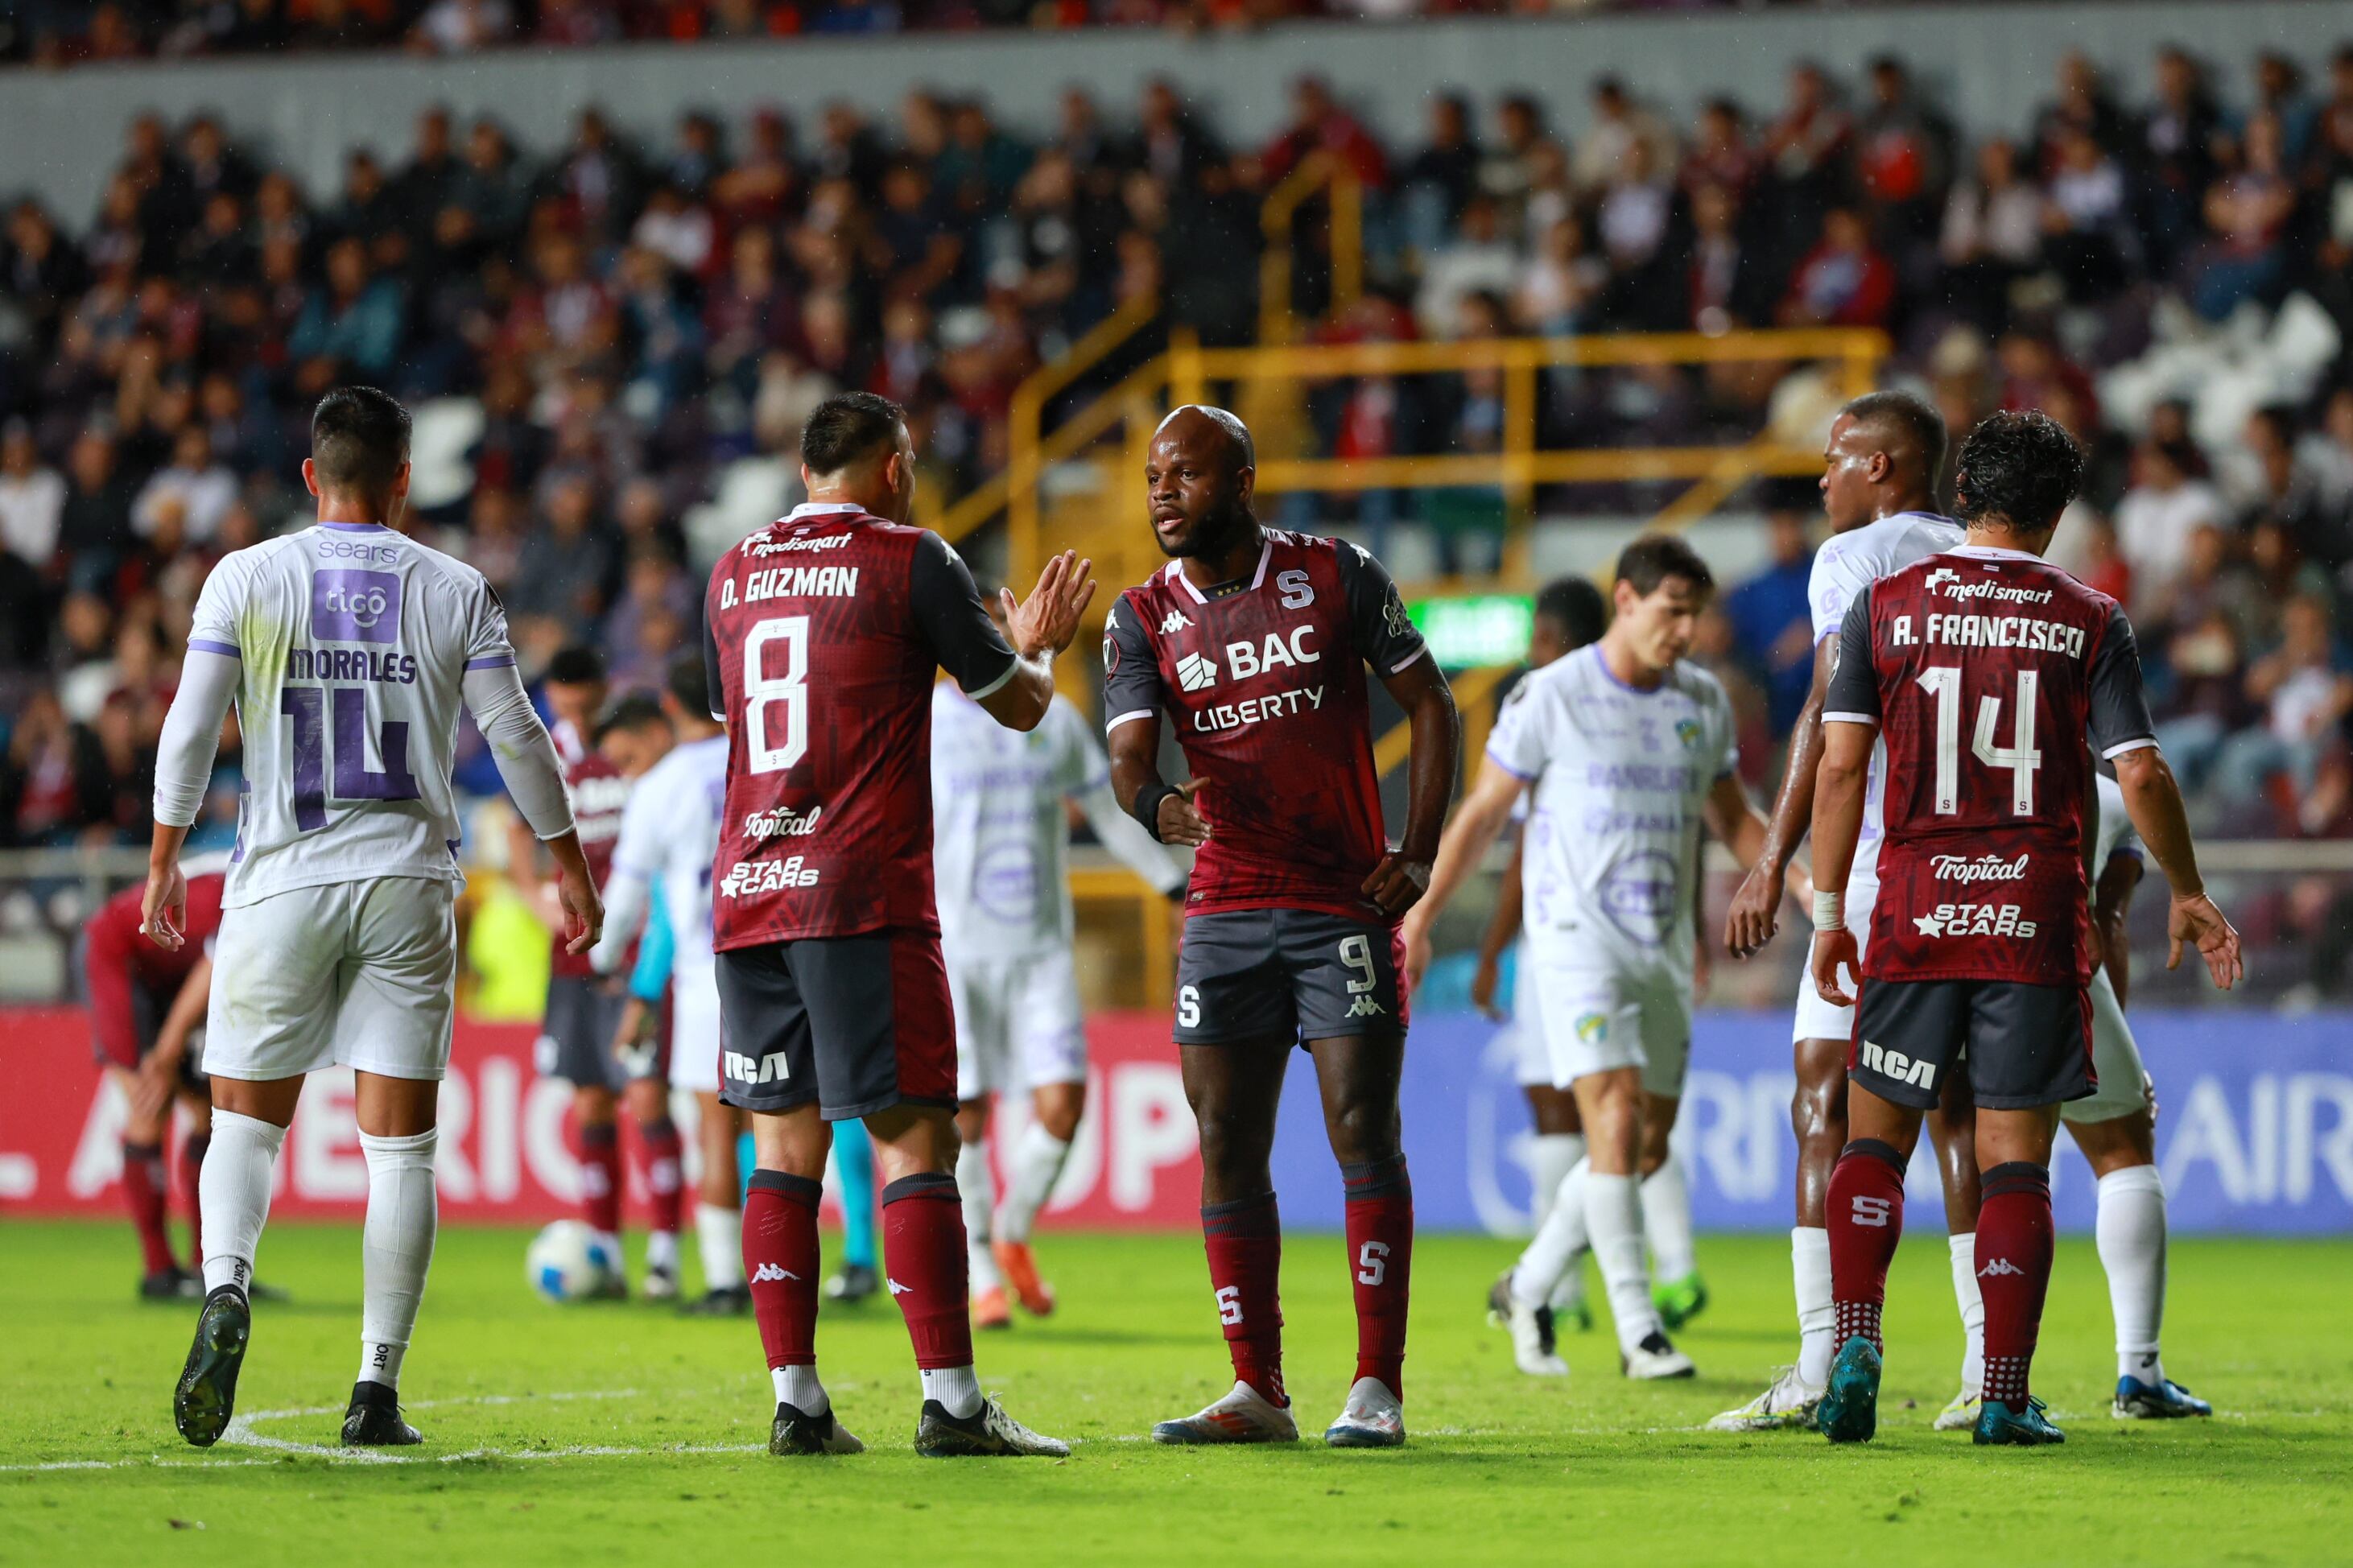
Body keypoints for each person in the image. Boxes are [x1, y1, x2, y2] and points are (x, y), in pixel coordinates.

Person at [149, 386, 601, 1449]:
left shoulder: (246, 578)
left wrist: (168, 855)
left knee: (247, 1123)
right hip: (406, 883)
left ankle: (224, 1285)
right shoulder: (455, 589)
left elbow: (188, 726)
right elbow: (520, 739)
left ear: (312, 476)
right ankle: (374, 1390)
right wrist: (567, 860)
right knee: (400, 1155)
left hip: (278, 882)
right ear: (405, 476)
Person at [1806, 410, 2241, 1447]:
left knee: (1875, 1139)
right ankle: (2002, 1388)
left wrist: (1828, 909)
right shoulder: (2089, 615)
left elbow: (1838, 764)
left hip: (1913, 903)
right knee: (2013, 1162)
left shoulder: (1884, 605)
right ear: (2054, 514)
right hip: (2029, 915)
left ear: (1961, 497)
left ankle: (1855, 1342)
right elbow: (2137, 769)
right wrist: (2185, 887)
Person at [704, 390, 1091, 1459]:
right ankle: (954, 1404)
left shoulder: (732, 572)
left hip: (748, 894)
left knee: (783, 1146)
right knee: (919, 1136)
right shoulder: (911, 557)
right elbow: (1013, 707)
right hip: (859, 894)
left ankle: (797, 1402)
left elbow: (732, 720)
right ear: (890, 467)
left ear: (801, 472)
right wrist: (1039, 649)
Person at [1105, 405, 1460, 1449]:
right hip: (1220, 911)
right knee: (1224, 1141)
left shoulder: (1334, 573)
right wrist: (1157, 806)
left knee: (1359, 1129)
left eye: (1184, 473)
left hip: (1338, 904)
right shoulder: (1141, 615)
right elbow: (1126, 755)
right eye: (1151, 476)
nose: (1161, 492)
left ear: (1243, 481)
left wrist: (1418, 848)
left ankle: (1375, 1386)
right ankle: (1255, 1388)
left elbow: (1429, 703)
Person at [1404, 536, 1768, 1382]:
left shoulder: (1702, 703)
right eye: (1672, 611)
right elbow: (1485, 813)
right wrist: (1421, 914)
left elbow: (1732, 819)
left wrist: (1812, 898)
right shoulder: (1551, 695)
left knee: (1642, 1145)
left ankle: (1528, 1285)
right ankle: (1641, 1333)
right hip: (1574, 943)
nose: (1685, 630)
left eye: (1695, 614)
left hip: (1661, 947)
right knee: (1612, 1110)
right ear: (1626, 600)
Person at [1712, 391, 1992, 1434]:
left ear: (1878, 469)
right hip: (1972, 874)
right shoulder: (1979, 554)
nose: (1820, 480)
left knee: (1819, 1099)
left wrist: (1775, 865)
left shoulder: (1854, 558)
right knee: (1955, 1109)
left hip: (1876, 867)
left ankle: (1822, 1357)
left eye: (1832, 461)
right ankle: (1981, 1373)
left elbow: (1833, 724)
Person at [931, 600, 1187, 1328]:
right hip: (956, 947)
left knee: (1063, 1106)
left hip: (1041, 945)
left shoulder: (1050, 715)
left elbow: (1107, 813)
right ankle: (981, 1271)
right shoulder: (924, 725)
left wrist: (1171, 883)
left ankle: (1011, 1232)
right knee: (967, 1115)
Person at [510, 646, 683, 1301]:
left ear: (603, 692)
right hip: (572, 953)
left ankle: (664, 1253)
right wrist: (533, 899)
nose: (575, 717)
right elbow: (517, 831)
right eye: (565, 706)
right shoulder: (542, 749)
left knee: (645, 1094)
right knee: (590, 1098)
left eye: (584, 704)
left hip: (638, 948)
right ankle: (605, 1251)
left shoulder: (626, 745)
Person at [590, 666, 758, 1317]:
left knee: (715, 1133)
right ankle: (789, 1270)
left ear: (667, 710)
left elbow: (629, 891)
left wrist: (603, 958)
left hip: (706, 974)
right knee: (781, 1129)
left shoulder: (662, 786)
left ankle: (724, 1281)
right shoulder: (762, 756)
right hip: (782, 958)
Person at [1468, 577, 1608, 1343]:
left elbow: (1519, 841)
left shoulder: (1540, 701)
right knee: (1615, 1121)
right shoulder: (1636, 695)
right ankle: (1571, 1283)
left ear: (1555, 641)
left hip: (1558, 937)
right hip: (1626, 936)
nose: (1531, 655)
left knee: (1565, 1112)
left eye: (1540, 640)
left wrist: (1490, 951)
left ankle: (1551, 1283)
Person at [2077, 770, 2211, 1420]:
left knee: (1961, 1136)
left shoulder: (1936, 769)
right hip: (2049, 970)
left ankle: (1975, 1375)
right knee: (2122, 1146)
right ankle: (2139, 1369)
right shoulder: (2105, 795)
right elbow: (2106, 925)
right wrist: (2115, 1049)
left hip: (1929, 949)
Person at [82, 859, 229, 1300]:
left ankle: (211, 1268)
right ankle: (159, 1271)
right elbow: (212, 967)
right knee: (150, 1102)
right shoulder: (260, 895)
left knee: (208, 1112)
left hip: (174, 971)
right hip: (121, 959)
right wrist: (167, 1052)